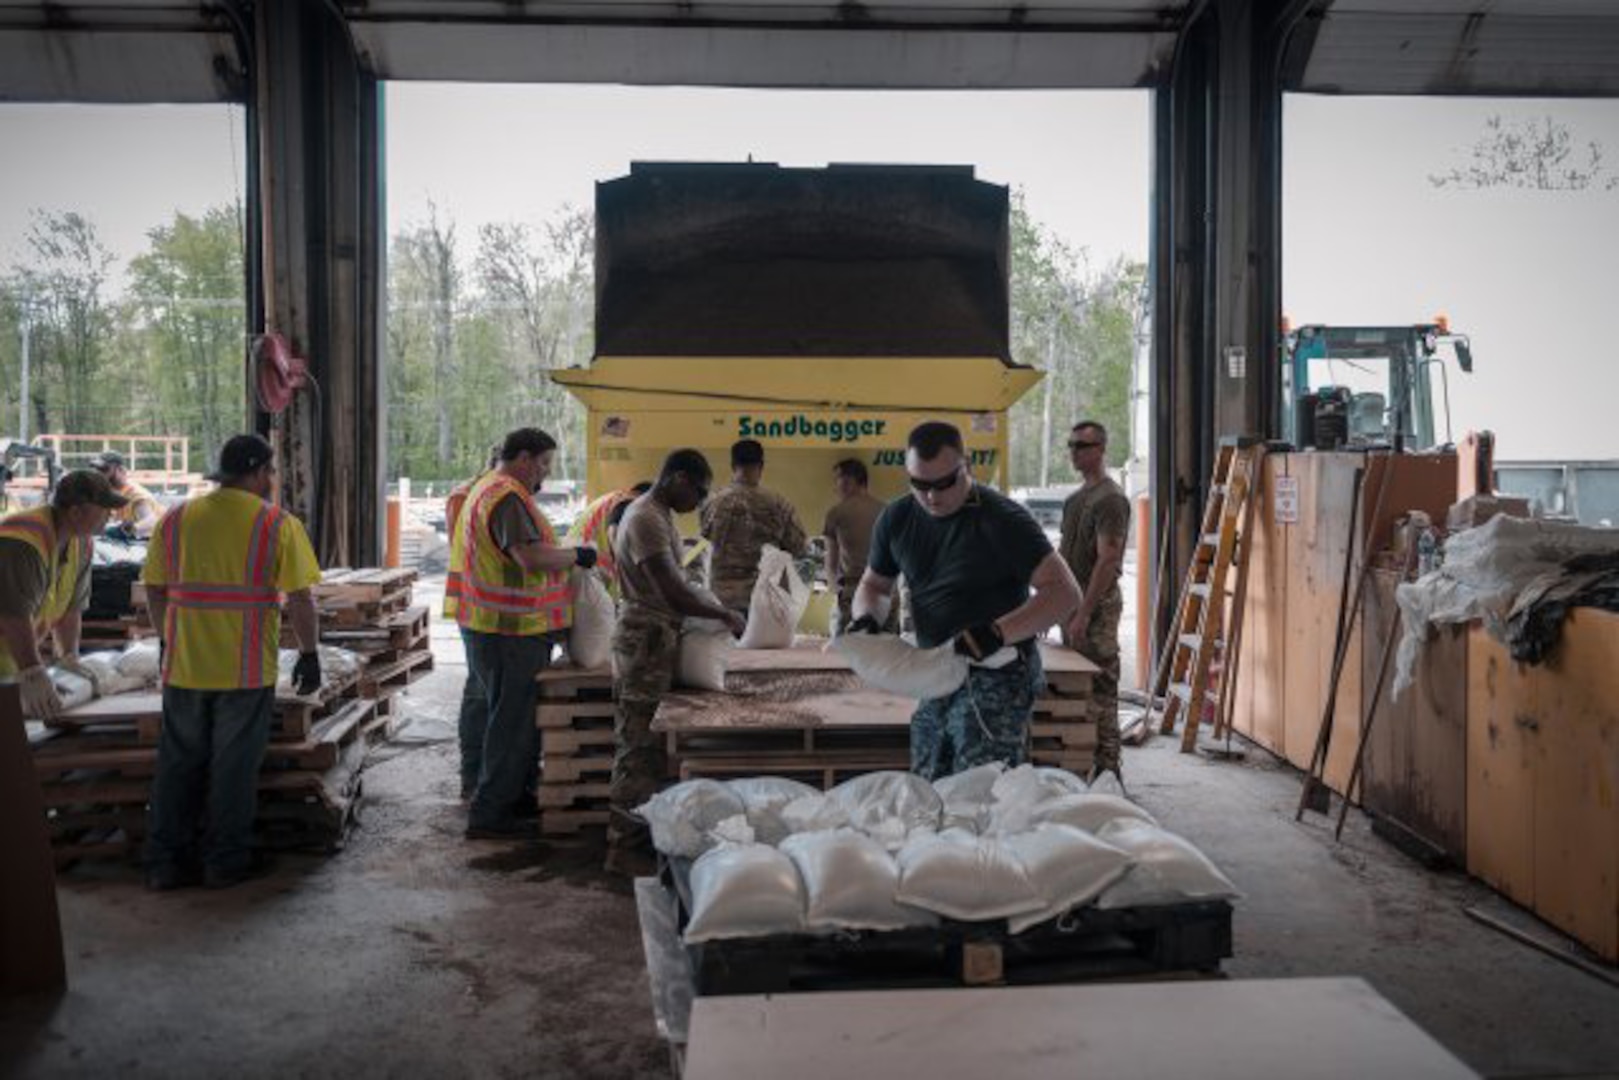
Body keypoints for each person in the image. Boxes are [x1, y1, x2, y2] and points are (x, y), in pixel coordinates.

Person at [848, 421, 1080, 781]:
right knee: (928, 782)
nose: (932, 497)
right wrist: (866, 617)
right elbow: (875, 586)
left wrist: (996, 632)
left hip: (997, 672)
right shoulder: (896, 519)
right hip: (936, 670)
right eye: (920, 485)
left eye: (944, 483)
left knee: (980, 789)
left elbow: (1064, 592)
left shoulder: (1003, 519)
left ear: (965, 466)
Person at [141, 435, 323, 890]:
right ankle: (225, 862)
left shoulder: (177, 519)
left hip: (184, 668)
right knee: (233, 768)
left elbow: (155, 589)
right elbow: (301, 598)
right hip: (244, 671)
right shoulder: (275, 524)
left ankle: (165, 864)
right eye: (271, 471)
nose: (273, 479)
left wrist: (167, 639)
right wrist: (309, 653)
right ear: (260, 471)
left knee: (177, 764)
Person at [606, 450, 746, 875]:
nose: (700, 502)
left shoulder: (658, 512)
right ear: (679, 479)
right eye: (699, 492)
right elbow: (670, 590)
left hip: (654, 636)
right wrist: (724, 615)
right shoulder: (647, 517)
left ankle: (641, 838)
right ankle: (626, 849)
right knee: (638, 744)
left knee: (646, 741)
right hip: (644, 637)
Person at [454, 427, 596, 840]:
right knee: (512, 723)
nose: (544, 475)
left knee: (498, 715)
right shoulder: (508, 497)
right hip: (511, 630)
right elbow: (529, 556)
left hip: (488, 624)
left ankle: (499, 795)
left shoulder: (485, 489)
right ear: (524, 459)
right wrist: (577, 555)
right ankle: (493, 812)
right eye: (544, 464)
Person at [0, 470, 129, 718]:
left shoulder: (81, 541)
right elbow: (13, 615)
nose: (109, 515)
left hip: (10, 659)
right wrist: (33, 671)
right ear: (75, 512)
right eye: (103, 508)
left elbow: (71, 608)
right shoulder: (22, 542)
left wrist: (68, 657)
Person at [1059, 420, 1131, 782]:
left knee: (1101, 689)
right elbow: (1062, 558)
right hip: (1073, 606)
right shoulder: (1075, 500)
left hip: (1096, 607)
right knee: (1074, 687)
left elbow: (1108, 560)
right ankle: (1080, 768)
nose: (1075, 452)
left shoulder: (1110, 499)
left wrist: (1084, 613)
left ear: (1101, 449)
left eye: (1083, 446)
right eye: (1072, 445)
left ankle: (1108, 770)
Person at [444, 443, 502, 800]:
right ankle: (473, 775)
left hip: (490, 609)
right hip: (477, 607)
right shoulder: (468, 496)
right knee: (480, 691)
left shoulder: (492, 494)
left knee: (484, 690)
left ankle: (481, 774)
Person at [699, 439, 807, 612]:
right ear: (761, 465)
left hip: (719, 601)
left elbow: (705, 540)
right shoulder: (779, 504)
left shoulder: (710, 503)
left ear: (733, 465)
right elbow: (799, 548)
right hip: (761, 602)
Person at [822, 458, 891, 632]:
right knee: (884, 651)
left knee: (846, 651)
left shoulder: (836, 513)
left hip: (853, 592)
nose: (835, 487)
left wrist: (835, 590)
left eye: (837, 480)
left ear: (847, 482)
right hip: (887, 591)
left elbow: (831, 564)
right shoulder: (887, 510)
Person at [568, 480, 653, 592]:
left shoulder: (615, 498)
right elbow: (615, 532)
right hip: (589, 569)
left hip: (580, 564)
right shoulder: (629, 503)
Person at [89, 450, 163, 539]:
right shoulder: (109, 492)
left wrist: (130, 530)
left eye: (105, 469)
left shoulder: (136, 494)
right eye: (98, 469)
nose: (100, 474)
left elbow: (152, 521)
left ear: (120, 470)